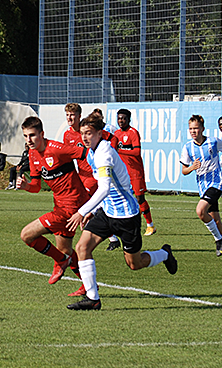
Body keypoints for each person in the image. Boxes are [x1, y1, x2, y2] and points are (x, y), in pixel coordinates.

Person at [65, 112, 177, 310]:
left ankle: (165, 254)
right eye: (83, 133)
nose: (84, 137)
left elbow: (105, 188)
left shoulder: (103, 153)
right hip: (107, 213)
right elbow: (106, 191)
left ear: (100, 133)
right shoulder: (93, 151)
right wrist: (95, 209)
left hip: (126, 215)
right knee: (82, 248)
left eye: (89, 133)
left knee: (135, 263)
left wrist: (82, 211)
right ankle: (93, 299)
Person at [16, 116, 90, 296]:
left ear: (42, 134)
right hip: (60, 206)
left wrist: (95, 180)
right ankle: (88, 286)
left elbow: (86, 154)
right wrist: (26, 186)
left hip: (72, 207)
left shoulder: (57, 149)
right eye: (25, 136)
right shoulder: (33, 154)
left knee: (27, 235)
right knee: (66, 250)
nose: (29, 140)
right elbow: (36, 187)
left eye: (32, 135)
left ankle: (60, 261)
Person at [180, 114, 222, 262]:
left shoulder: (212, 142)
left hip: (216, 183)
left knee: (200, 210)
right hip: (203, 186)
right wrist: (192, 168)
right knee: (215, 221)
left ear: (202, 129)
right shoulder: (188, 147)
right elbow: (184, 170)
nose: (193, 131)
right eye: (191, 129)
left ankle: (218, 239)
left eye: (196, 128)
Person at [113, 108, 156, 238]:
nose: (121, 120)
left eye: (123, 118)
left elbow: (136, 152)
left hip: (135, 171)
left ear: (129, 119)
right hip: (123, 172)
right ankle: (128, 225)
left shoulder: (133, 133)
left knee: (139, 198)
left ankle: (150, 225)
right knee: (124, 198)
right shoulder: (116, 133)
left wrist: (119, 151)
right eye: (119, 118)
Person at [62, 103, 119, 195]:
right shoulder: (67, 135)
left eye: (72, 115)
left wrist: (110, 155)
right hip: (81, 175)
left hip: (94, 173)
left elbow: (113, 139)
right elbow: (68, 157)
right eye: (67, 115)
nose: (69, 118)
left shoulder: (88, 129)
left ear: (79, 116)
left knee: (85, 199)